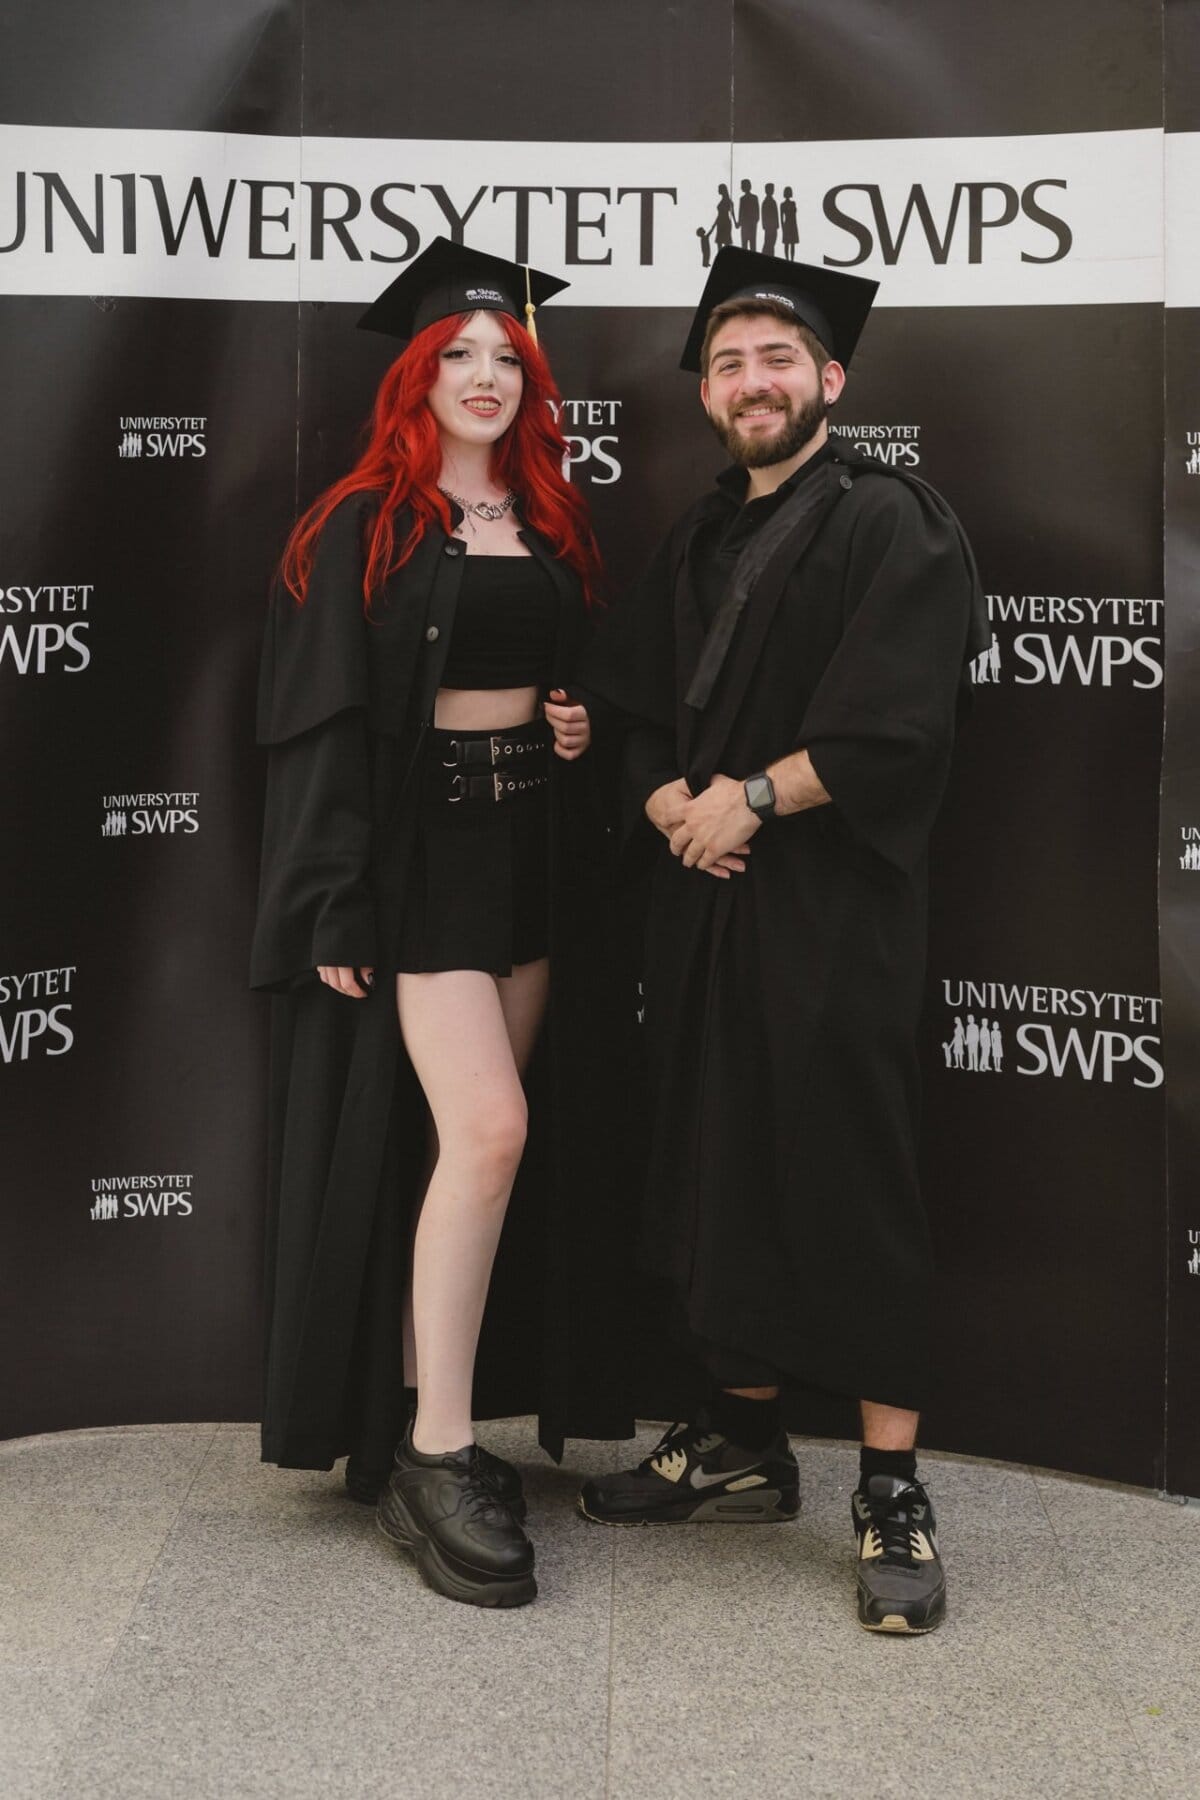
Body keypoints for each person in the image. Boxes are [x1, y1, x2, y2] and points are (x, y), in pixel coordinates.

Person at [576, 247, 987, 1634]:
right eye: (726, 364)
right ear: (707, 391)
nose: (751, 383)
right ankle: (742, 1444)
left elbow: (894, 727)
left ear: (831, 379)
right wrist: (668, 805)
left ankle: (889, 1484)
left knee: (849, 1181)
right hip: (703, 910)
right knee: (712, 1170)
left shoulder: (893, 522)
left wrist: (746, 798)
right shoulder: (695, 538)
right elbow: (630, 705)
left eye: (774, 360)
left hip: (833, 915)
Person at [250, 237, 629, 1610]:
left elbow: (560, 672)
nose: (485, 376)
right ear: (414, 375)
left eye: (507, 361)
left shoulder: (550, 519)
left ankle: (432, 1410)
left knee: (469, 1144)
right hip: (421, 863)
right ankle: (437, 1451)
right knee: (488, 1129)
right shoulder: (361, 524)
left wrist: (574, 726)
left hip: (530, 845)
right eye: (458, 356)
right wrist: (333, 891)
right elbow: (324, 724)